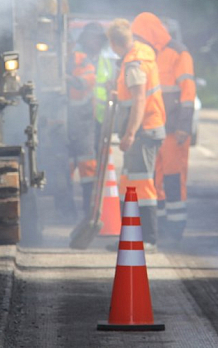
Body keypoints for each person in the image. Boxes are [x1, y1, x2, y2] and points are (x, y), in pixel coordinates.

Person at [131, 12, 196, 242]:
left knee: (173, 178)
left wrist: (183, 127)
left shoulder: (179, 52)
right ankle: (158, 229)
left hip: (174, 130)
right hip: (155, 128)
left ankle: (176, 229)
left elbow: (188, 94)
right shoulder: (148, 54)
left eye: (139, 35)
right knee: (155, 180)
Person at [106, 19, 166, 251]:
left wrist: (130, 133)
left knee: (142, 185)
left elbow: (139, 99)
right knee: (129, 184)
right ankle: (130, 238)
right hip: (146, 128)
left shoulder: (133, 64)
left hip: (143, 131)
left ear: (113, 43)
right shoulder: (142, 52)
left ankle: (148, 239)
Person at [66, 41, 97, 215]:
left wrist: (67, 78)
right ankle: (67, 210)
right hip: (63, 125)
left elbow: (86, 82)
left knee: (88, 168)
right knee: (65, 168)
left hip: (84, 124)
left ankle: (88, 209)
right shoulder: (49, 60)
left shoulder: (83, 61)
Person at [77, 22, 117, 150]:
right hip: (79, 117)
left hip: (100, 118)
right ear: (84, 39)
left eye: (98, 38)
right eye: (92, 38)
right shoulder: (75, 59)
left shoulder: (106, 62)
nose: (95, 42)